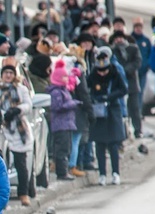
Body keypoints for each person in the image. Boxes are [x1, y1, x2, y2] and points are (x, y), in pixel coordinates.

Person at [0, 57, 35, 204]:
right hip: (3, 127)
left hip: (18, 128)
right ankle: (2, 195)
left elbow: (28, 105)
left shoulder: (21, 89)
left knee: (21, 163)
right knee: (1, 163)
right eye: (6, 73)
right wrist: (4, 114)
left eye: (11, 73)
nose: (8, 75)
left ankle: (24, 193)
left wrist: (17, 110)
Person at [87, 49, 127, 186]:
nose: (102, 73)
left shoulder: (115, 74)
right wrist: (95, 98)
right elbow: (87, 91)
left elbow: (123, 89)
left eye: (104, 70)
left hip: (112, 110)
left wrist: (109, 97)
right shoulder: (93, 76)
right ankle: (102, 174)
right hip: (99, 113)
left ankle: (116, 173)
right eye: (100, 70)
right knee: (99, 144)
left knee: (114, 144)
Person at [47, 59, 81, 182]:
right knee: (62, 149)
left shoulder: (63, 90)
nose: (67, 79)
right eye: (65, 77)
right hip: (60, 125)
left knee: (67, 148)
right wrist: (72, 104)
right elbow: (57, 106)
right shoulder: (56, 92)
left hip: (67, 124)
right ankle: (62, 172)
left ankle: (64, 170)